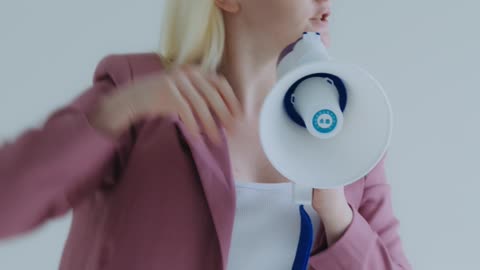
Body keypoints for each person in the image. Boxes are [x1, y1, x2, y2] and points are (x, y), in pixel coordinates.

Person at [0, 0, 412, 269]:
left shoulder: (352, 133)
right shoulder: (138, 91)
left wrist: (338, 216)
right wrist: (119, 111)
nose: (327, 6)